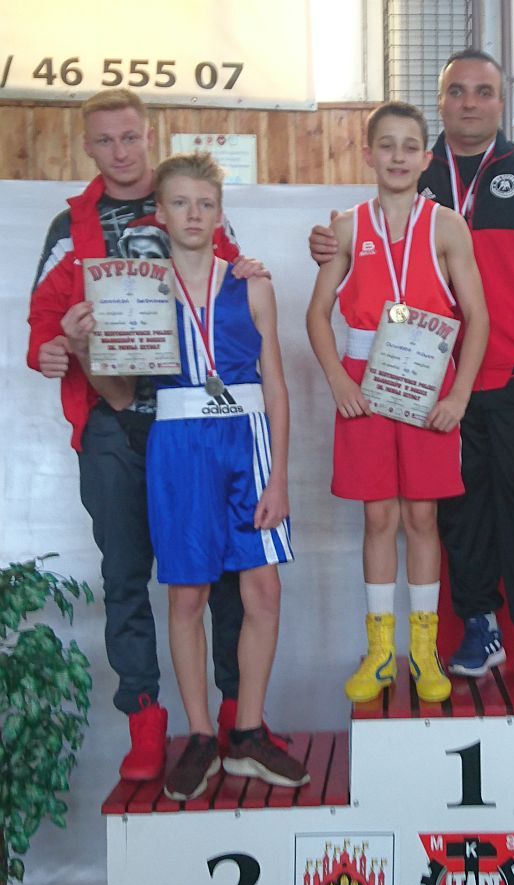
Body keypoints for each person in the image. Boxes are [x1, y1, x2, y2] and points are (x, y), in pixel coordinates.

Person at [310, 51, 514, 687]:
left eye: (483, 92)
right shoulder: (415, 168)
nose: (470, 103)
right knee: (456, 514)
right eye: (458, 92)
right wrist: (326, 246)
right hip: (428, 382)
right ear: (439, 102)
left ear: (502, 101)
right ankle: (478, 625)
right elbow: (357, 254)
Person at [26, 88, 279, 782]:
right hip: (114, 421)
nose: (120, 151)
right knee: (126, 575)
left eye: (130, 137)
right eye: (105, 140)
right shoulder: (70, 226)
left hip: (198, 422)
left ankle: (236, 717)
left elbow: (230, 290)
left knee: (221, 572)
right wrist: (51, 347)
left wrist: (251, 269)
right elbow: (43, 320)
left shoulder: (186, 202)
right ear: (87, 147)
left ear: (149, 135)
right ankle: (147, 722)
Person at [85, 152, 309, 800]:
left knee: (263, 591)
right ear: (160, 212)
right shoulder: (136, 293)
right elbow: (117, 392)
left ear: (219, 213)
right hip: (179, 447)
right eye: (181, 203)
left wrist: (280, 478)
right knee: (187, 596)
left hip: (247, 441)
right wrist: (85, 344)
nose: (193, 214)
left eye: (205, 204)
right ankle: (202, 736)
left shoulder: (252, 284)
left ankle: (248, 732)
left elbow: (276, 384)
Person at [306, 101, 489, 704]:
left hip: (426, 380)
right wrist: (338, 379)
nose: (398, 157)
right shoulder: (346, 227)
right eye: (386, 145)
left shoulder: (448, 227)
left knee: (422, 518)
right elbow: (316, 314)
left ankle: (425, 649)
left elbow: (478, 318)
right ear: (367, 154)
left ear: (426, 158)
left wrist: (459, 395)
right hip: (365, 382)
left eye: (410, 147)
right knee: (379, 517)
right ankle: (382, 651)